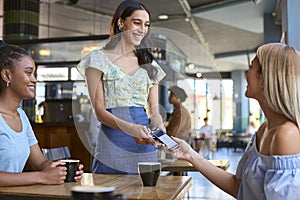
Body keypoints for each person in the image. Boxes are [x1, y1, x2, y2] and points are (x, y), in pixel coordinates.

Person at [165, 43, 300, 199]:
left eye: (251, 68)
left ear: (266, 78)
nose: (246, 74)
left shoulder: (286, 134)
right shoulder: (265, 129)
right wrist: (189, 154)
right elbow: (238, 186)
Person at [77, 0, 166, 174]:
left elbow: (153, 109)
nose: (142, 29)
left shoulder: (148, 62)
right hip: (113, 139)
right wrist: (130, 128)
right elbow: (99, 112)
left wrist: (158, 122)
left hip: (144, 139)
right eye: (136, 22)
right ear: (121, 22)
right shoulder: (97, 59)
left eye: (146, 24)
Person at [0, 41, 84, 186]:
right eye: (28, 73)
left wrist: (61, 170)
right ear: (7, 75)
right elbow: (41, 173)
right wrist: (42, 177)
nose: (34, 79)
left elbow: (41, 162)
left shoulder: (21, 117)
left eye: (34, 73)